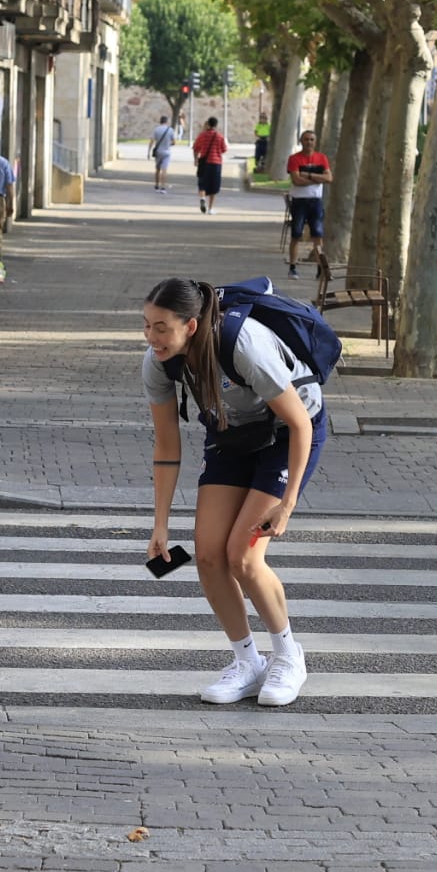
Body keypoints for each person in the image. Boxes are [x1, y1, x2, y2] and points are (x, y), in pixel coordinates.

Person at [141, 278, 327, 707]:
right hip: (231, 433)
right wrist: (160, 524)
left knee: (241, 555)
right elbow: (167, 444)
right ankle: (248, 664)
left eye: (161, 328)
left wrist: (288, 503)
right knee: (207, 553)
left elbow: (300, 423)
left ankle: (288, 656)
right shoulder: (157, 362)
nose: (152, 338)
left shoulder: (241, 343)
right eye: (146, 326)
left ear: (190, 325)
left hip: (287, 432)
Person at [284, 130, 332, 279]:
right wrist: (318, 179)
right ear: (301, 141)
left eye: (311, 139)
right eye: (306, 139)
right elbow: (296, 180)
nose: (309, 142)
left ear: (315, 142)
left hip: (315, 202)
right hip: (299, 202)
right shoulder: (294, 159)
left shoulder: (321, 158)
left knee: (317, 235)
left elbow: (329, 178)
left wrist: (308, 175)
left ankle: (320, 268)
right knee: (296, 234)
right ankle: (293, 266)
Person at [191, 117, 229, 214]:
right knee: (213, 186)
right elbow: (224, 150)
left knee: (202, 184)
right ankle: (210, 209)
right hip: (216, 164)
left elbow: (195, 148)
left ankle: (203, 198)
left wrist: (196, 159)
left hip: (204, 163)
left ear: (208, 124)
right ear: (216, 125)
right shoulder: (220, 137)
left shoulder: (202, 135)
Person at [148, 115, 176, 193]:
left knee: (157, 169)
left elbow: (152, 141)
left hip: (158, 152)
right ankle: (163, 187)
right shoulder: (170, 130)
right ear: (166, 122)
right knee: (164, 170)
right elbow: (174, 142)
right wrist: (168, 144)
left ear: (160, 121)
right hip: (166, 152)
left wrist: (149, 152)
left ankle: (156, 185)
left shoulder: (156, 130)